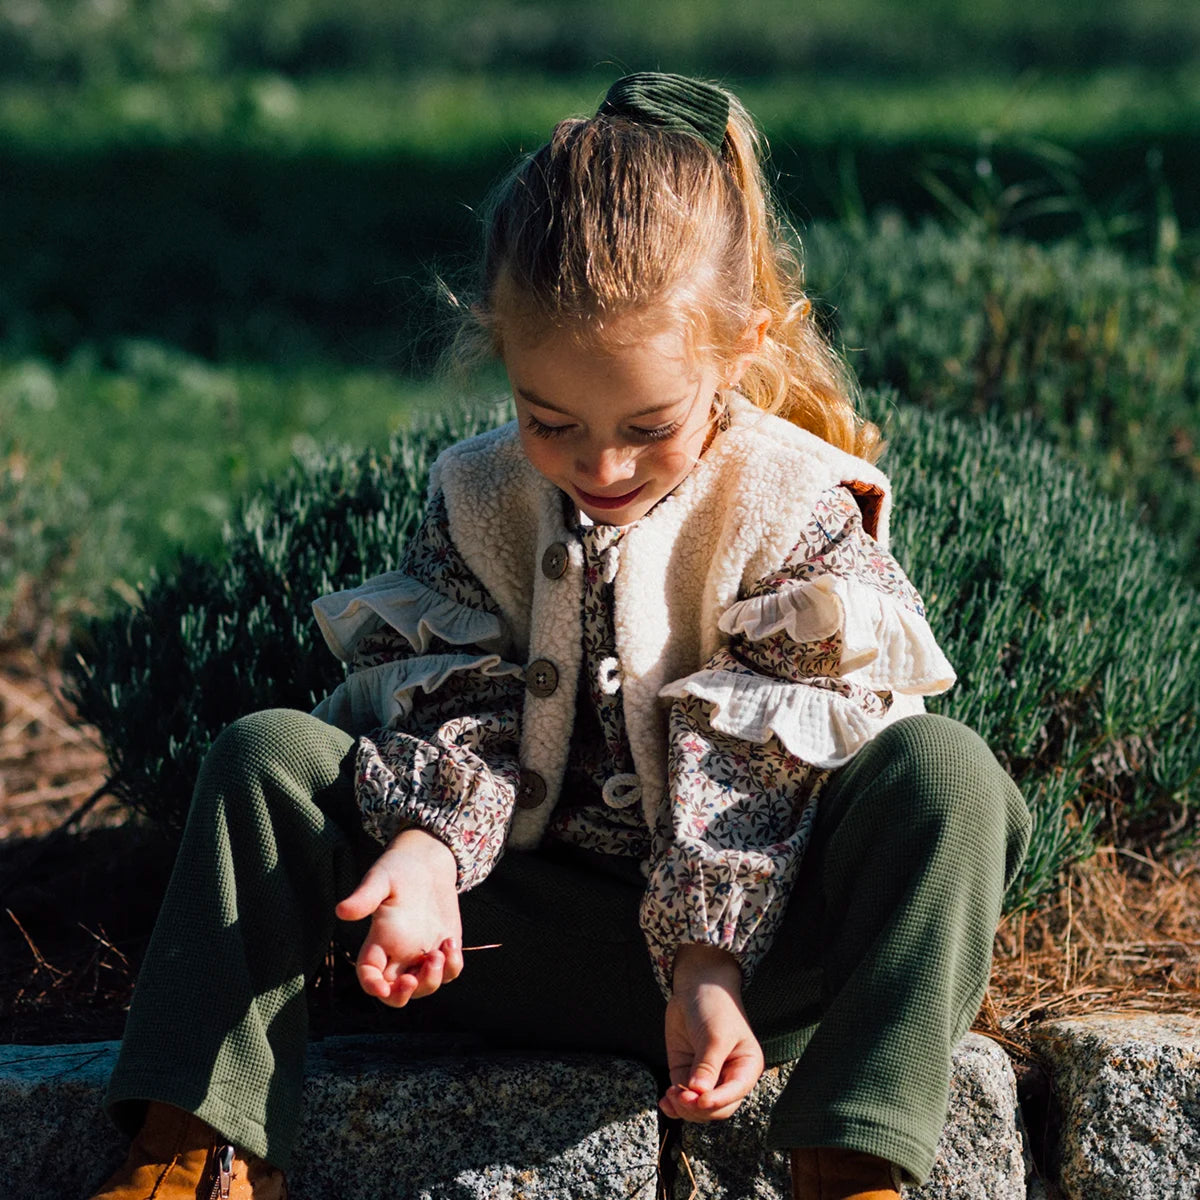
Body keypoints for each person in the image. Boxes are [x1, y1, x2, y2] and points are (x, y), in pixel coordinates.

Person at [90, 73, 1031, 1200]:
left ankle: (855, 1162)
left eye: (649, 427)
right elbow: (457, 700)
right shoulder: (479, 494)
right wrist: (427, 856)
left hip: (750, 968)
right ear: (502, 356)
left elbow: (762, 761)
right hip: (497, 945)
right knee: (264, 757)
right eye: (551, 420)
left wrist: (708, 959)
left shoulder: (796, 502)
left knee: (950, 777)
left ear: (743, 347)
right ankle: (196, 1145)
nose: (602, 465)